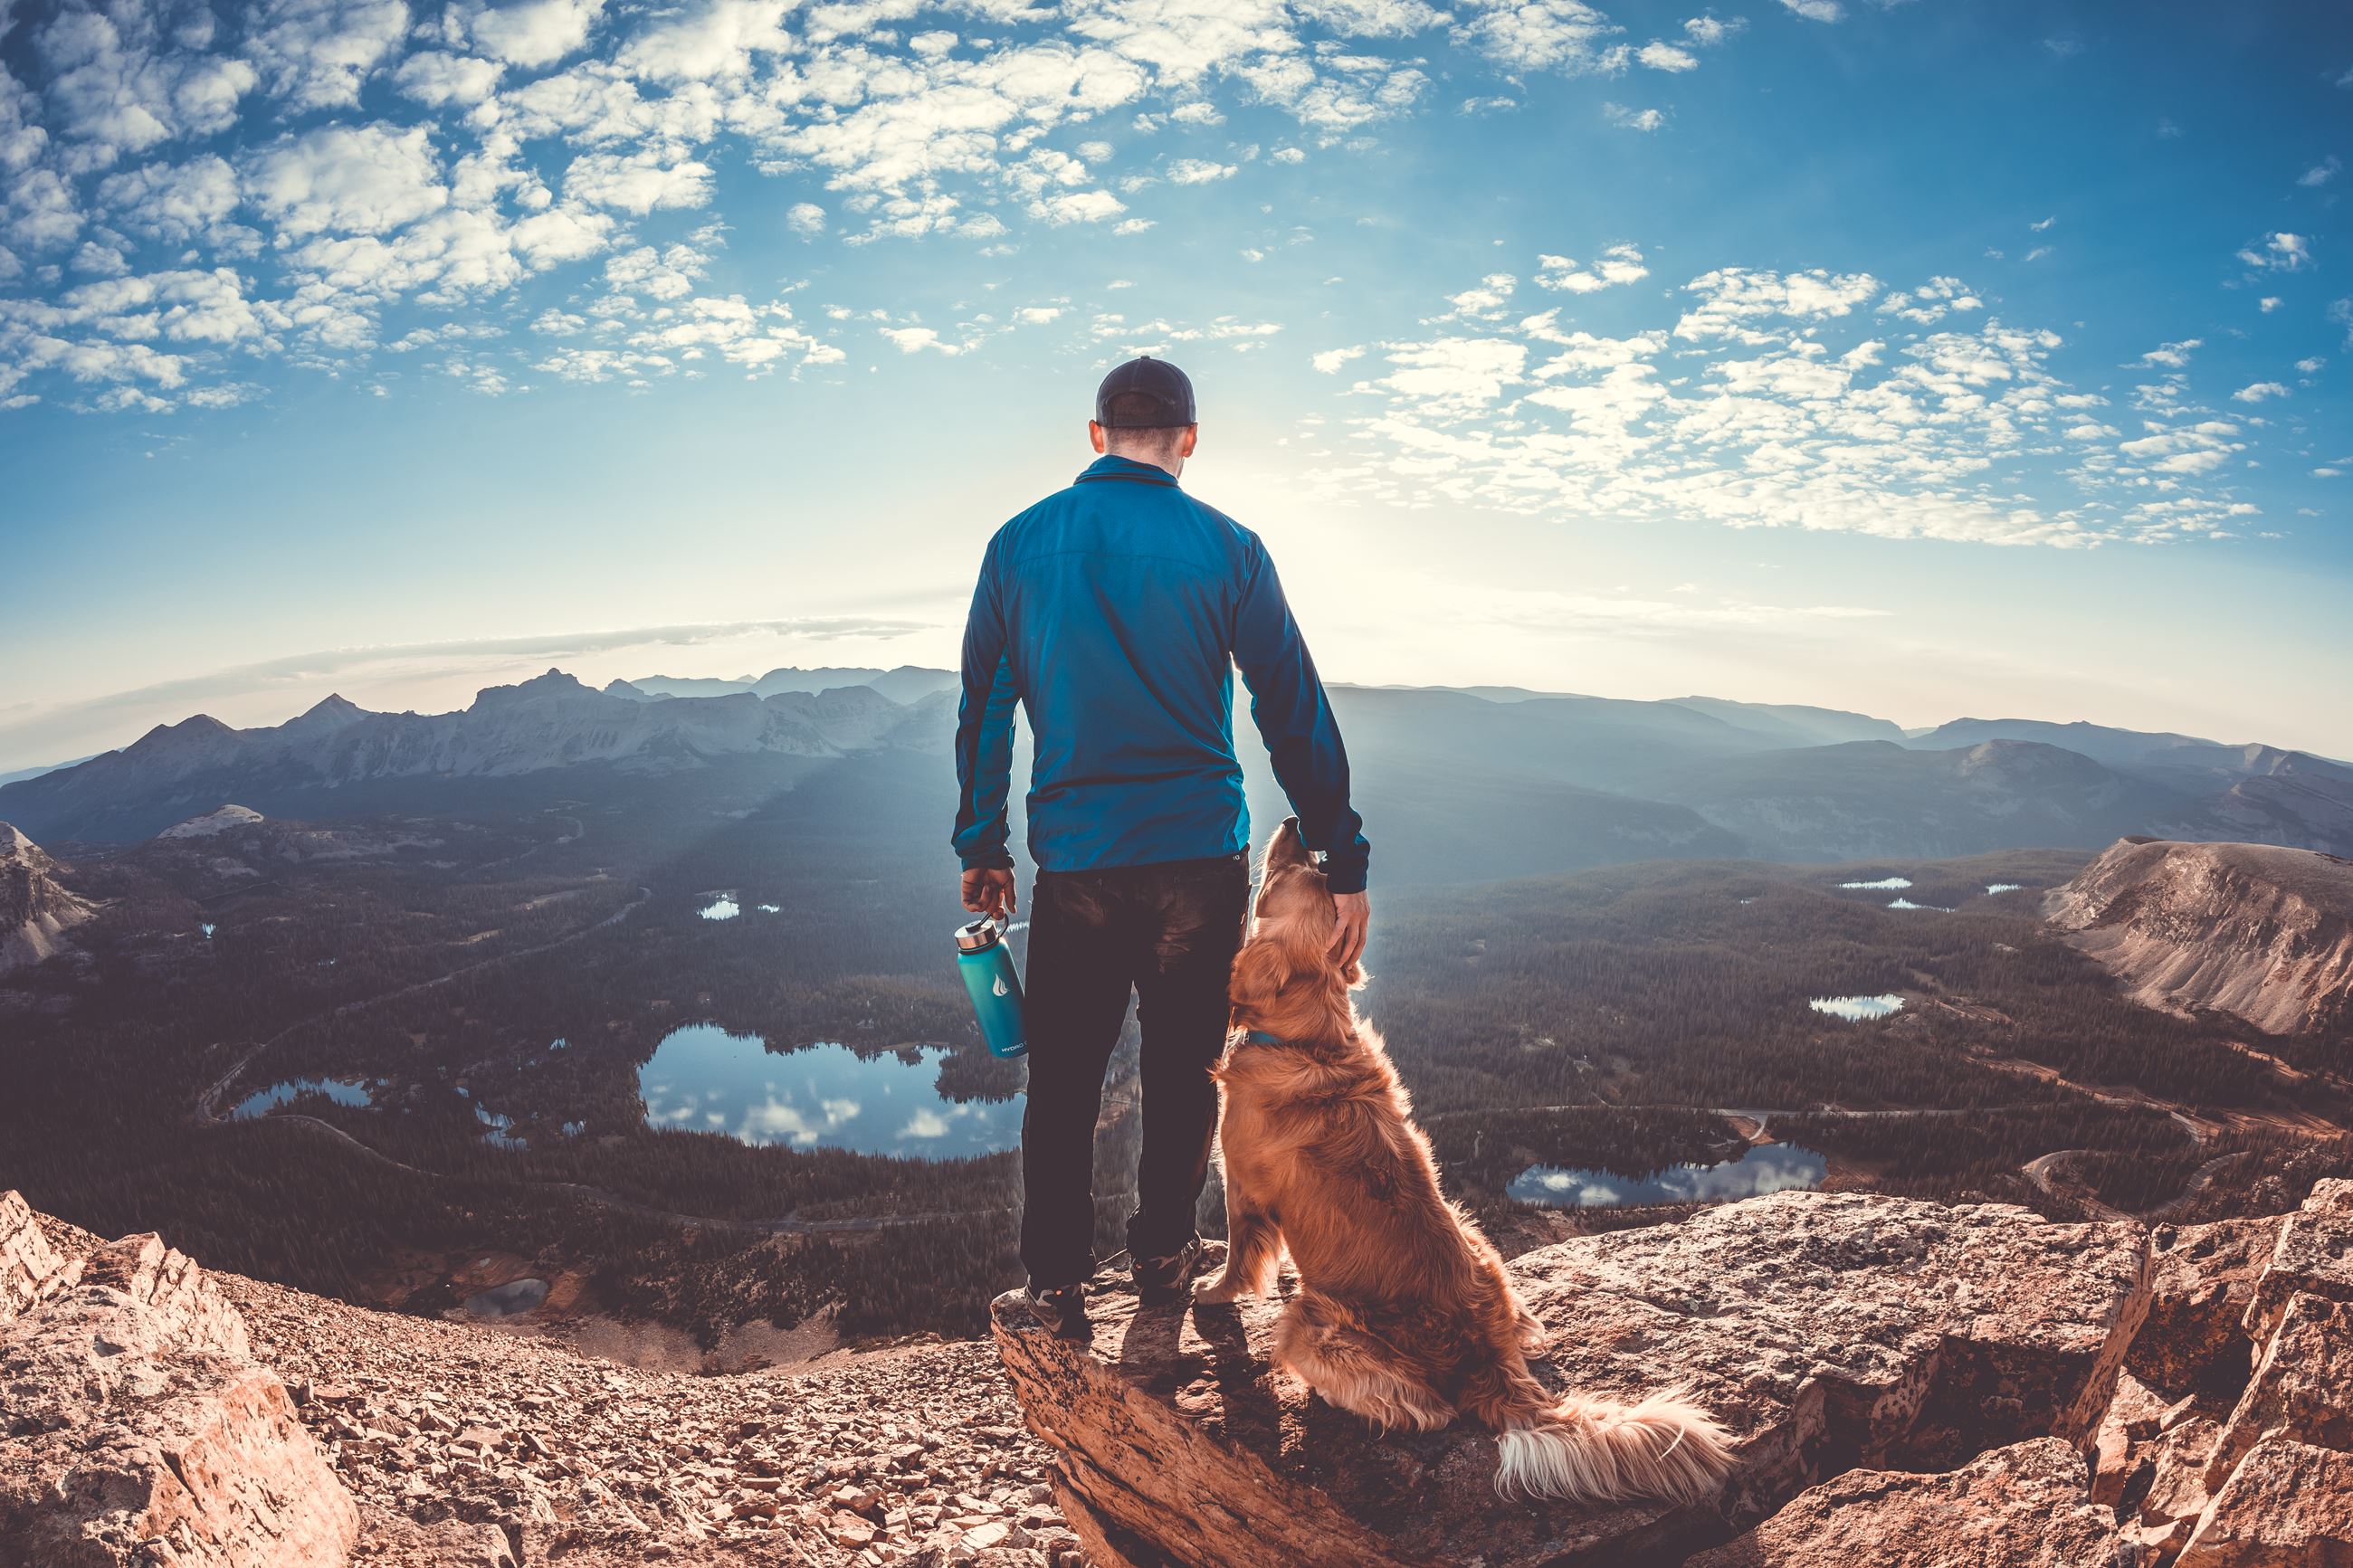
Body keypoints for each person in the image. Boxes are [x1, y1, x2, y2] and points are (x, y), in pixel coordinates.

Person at [952, 356, 1371, 1337]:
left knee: (1061, 1080)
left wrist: (982, 838)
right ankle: (1161, 1255)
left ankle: (1053, 1283)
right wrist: (1338, 858)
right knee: (1184, 1071)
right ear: (1187, 440)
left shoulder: (1018, 545)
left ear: (1094, 435)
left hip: (1078, 861)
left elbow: (986, 706)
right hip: (1197, 858)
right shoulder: (1227, 547)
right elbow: (1291, 707)